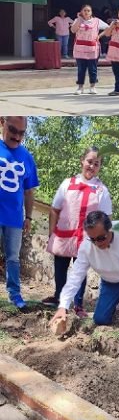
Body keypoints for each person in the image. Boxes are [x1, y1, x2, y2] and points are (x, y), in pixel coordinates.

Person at [50, 211, 119, 344]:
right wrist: (63, 305)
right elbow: (75, 277)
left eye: (101, 238)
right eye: (93, 239)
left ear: (110, 229)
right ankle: (111, 307)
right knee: (100, 320)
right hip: (110, 282)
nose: (97, 243)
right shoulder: (86, 248)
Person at [41, 147, 112, 317]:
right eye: (89, 161)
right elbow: (54, 209)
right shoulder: (67, 183)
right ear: (82, 161)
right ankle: (58, 298)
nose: (92, 166)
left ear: (99, 167)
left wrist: (103, 239)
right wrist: (52, 233)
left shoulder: (102, 190)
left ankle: (78, 304)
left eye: (97, 164)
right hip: (64, 236)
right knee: (60, 268)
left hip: (86, 240)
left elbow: (107, 217)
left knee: (80, 272)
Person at [0, 117, 38, 309]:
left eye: (21, 133)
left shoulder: (27, 157)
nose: (17, 136)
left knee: (13, 257)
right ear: (2, 123)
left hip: (14, 218)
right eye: (13, 130)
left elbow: (29, 191)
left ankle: (14, 294)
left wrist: (29, 217)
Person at [71, 4, 109, 95]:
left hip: (92, 48)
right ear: (81, 12)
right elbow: (73, 30)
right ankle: (80, 87)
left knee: (92, 68)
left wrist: (99, 36)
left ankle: (93, 86)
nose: (86, 12)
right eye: (84, 10)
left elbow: (108, 27)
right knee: (81, 68)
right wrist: (79, 20)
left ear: (91, 12)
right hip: (80, 48)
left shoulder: (96, 21)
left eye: (88, 10)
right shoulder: (77, 20)